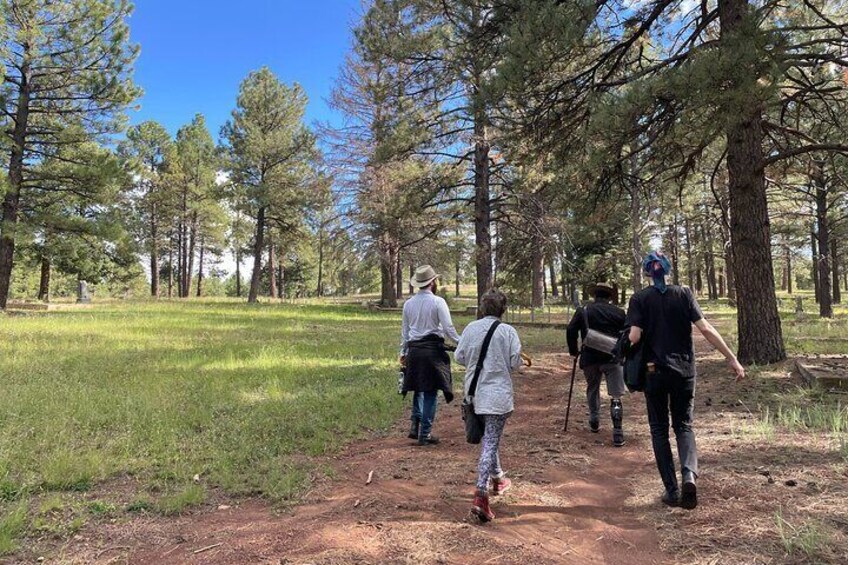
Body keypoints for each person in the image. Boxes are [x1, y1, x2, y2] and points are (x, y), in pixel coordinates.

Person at [627, 251, 745, 509]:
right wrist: (731, 358)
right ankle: (689, 475)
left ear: (647, 272)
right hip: (684, 371)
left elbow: (634, 336)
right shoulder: (684, 294)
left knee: (659, 428)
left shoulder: (639, 299)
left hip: (653, 372)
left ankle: (671, 490)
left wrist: (623, 345)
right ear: (667, 271)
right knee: (684, 425)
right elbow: (705, 329)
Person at [455, 290, 524, 522]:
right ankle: (480, 495)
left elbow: (459, 357)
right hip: (497, 397)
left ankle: (498, 479)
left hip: (474, 394)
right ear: (502, 310)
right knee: (490, 441)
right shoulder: (508, 332)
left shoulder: (470, 329)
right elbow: (515, 363)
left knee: (489, 439)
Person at [400, 265, 461, 446]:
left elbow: (405, 332)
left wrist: (403, 353)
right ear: (433, 282)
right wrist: (461, 341)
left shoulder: (408, 304)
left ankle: (414, 424)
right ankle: (424, 433)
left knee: (418, 388)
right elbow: (448, 328)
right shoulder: (438, 302)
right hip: (432, 351)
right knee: (430, 392)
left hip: (414, 351)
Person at [566, 281, 628, 446]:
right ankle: (617, 432)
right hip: (613, 358)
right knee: (616, 395)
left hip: (590, 357)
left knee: (592, 388)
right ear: (609, 296)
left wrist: (574, 351)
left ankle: (594, 420)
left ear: (594, 295)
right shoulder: (619, 313)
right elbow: (626, 334)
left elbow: (571, 330)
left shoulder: (583, 310)